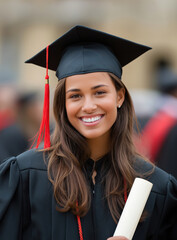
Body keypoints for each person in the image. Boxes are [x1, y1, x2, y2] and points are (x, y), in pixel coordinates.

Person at [0, 25, 176, 240]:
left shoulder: (156, 187)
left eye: (100, 92)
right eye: (75, 96)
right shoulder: (26, 177)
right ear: (63, 103)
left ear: (119, 96)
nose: (89, 106)